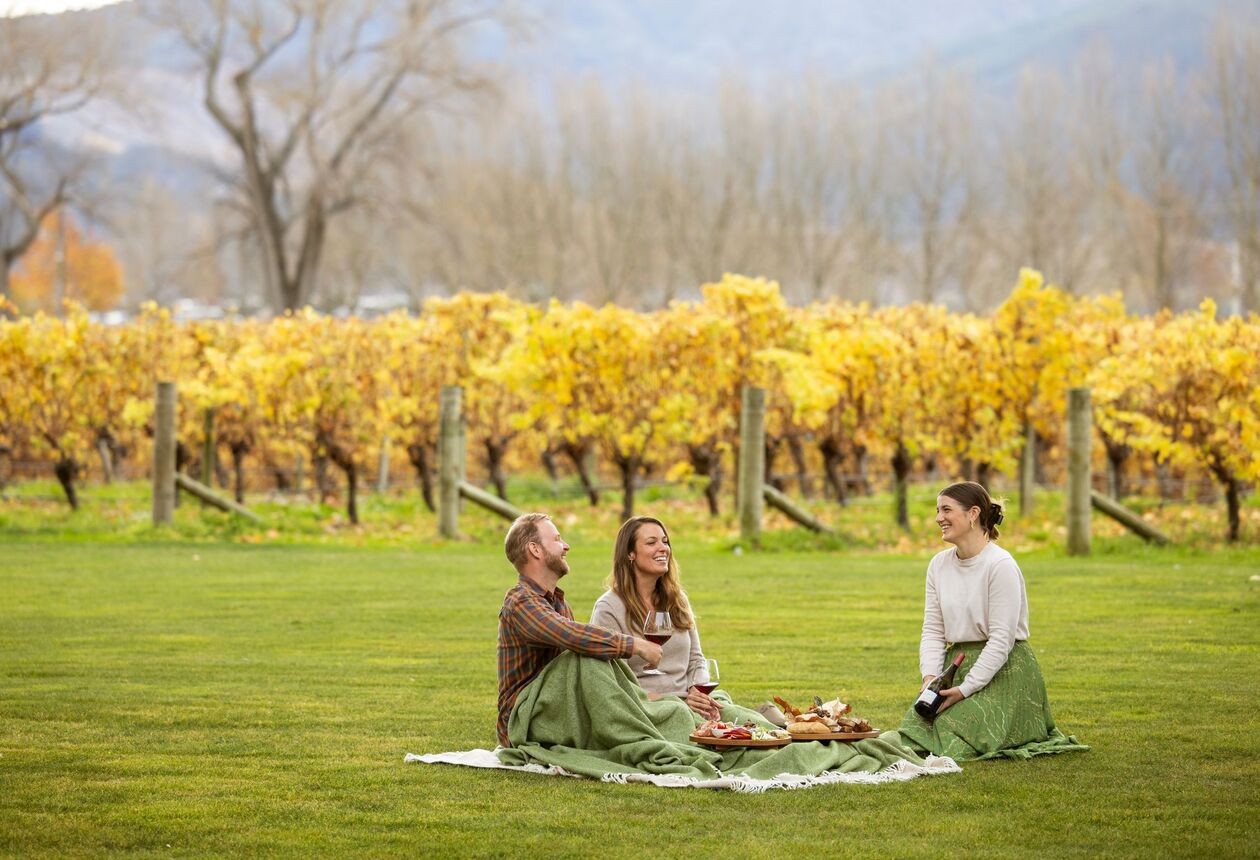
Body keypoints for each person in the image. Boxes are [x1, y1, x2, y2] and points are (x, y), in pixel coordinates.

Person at [897, 481, 1088, 761]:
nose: (938, 518)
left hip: (1006, 671)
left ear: (973, 513)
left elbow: (1002, 640)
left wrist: (964, 691)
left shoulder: (1000, 565)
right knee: (913, 731)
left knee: (951, 732)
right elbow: (933, 630)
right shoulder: (938, 565)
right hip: (959, 665)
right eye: (937, 510)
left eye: (946, 510)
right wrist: (930, 677)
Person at [496, 512, 662, 748]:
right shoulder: (520, 601)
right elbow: (569, 635)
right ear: (535, 550)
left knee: (591, 658)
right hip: (522, 720)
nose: (566, 546)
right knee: (585, 657)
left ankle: (643, 718)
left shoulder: (558, 603)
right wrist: (635, 644)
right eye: (557, 539)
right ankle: (641, 724)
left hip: (555, 710)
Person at [591, 516, 720, 720]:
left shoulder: (677, 599)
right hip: (644, 707)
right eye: (651, 542)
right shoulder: (609, 607)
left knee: (749, 724)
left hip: (687, 700)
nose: (663, 548)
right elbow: (608, 677)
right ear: (630, 553)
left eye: (665, 541)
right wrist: (661, 700)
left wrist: (697, 690)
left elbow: (696, 659)